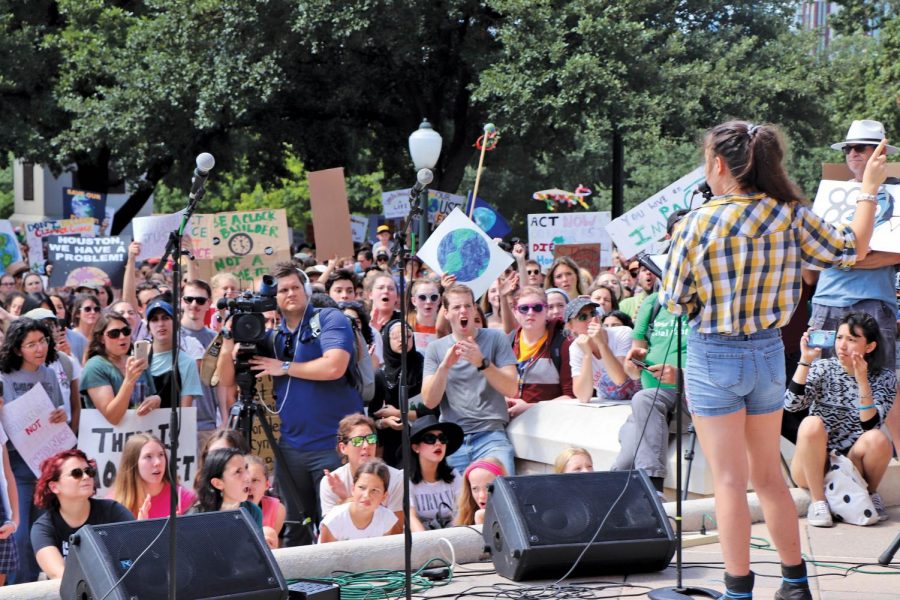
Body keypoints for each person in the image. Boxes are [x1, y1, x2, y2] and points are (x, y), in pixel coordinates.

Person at [660, 121, 886, 600]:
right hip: (767, 352)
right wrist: (868, 189)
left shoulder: (696, 222)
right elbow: (854, 247)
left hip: (713, 355)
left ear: (719, 164)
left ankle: (739, 590)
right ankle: (794, 582)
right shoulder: (790, 214)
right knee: (768, 475)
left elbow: (675, 303)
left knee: (728, 480)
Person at [219, 262, 362, 547]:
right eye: (283, 290)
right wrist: (227, 339)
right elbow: (227, 379)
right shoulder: (273, 337)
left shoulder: (331, 319)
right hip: (291, 448)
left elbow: (334, 366)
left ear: (306, 291)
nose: (291, 293)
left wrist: (283, 366)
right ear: (275, 299)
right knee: (295, 527)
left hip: (334, 444)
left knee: (337, 522)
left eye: (296, 287)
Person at [806, 120, 900, 450]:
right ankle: (832, 473)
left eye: (862, 147)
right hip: (825, 305)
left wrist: (844, 254)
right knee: (821, 388)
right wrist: (860, 253)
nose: (854, 154)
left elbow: (896, 252)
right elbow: (813, 262)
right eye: (849, 148)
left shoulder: (898, 192)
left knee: (883, 387)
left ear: (882, 153)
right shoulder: (829, 196)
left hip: (873, 305)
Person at [786, 314, 895, 526]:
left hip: (851, 465)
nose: (842, 346)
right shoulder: (823, 368)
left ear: (870, 347)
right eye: (840, 338)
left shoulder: (885, 378)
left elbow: (869, 425)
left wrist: (862, 380)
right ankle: (818, 502)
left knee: (878, 440)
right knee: (810, 423)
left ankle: (868, 493)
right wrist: (806, 361)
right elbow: (791, 405)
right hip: (812, 464)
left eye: (852, 340)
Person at [422, 284, 518, 475]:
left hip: (491, 435)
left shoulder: (496, 338)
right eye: (457, 307)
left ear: (475, 309)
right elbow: (429, 400)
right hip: (453, 439)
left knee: (503, 497)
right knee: (457, 504)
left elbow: (511, 388)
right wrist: (445, 367)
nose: (463, 311)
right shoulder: (436, 349)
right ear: (447, 313)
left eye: (467, 305)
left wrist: (482, 363)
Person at [0, 318, 69, 584]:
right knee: (19, 531)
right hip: (17, 465)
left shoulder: (50, 373)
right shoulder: (4, 377)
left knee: (40, 532)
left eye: (42, 341)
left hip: (46, 463)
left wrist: (61, 415)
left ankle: (31, 585)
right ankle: (17, 588)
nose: (39, 348)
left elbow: (58, 411)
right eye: (31, 344)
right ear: (17, 349)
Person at [31, 450, 133, 580]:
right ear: (54, 487)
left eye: (89, 471)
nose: (86, 477)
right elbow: (59, 575)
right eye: (76, 473)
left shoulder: (114, 511)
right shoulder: (43, 528)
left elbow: (135, 555)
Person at [319, 414, 415, 531]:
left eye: (371, 439)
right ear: (343, 448)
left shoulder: (396, 478)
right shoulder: (331, 482)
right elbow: (331, 531)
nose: (366, 445)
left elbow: (396, 530)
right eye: (358, 441)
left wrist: (345, 500)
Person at [80, 312, 161, 426]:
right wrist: (129, 381)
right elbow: (113, 417)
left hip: (141, 435)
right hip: (109, 440)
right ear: (101, 338)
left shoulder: (137, 361)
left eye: (126, 331)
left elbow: (151, 396)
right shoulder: (94, 366)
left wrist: (156, 400)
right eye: (114, 333)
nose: (122, 337)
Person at [505, 287, 574, 417]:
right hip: (510, 425)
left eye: (537, 307)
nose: (530, 313)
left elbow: (571, 396)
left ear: (546, 310)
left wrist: (530, 408)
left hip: (549, 423)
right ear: (515, 311)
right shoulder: (507, 342)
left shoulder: (564, 343)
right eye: (524, 308)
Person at [370, 320, 428, 467]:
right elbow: (373, 417)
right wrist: (385, 422)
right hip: (392, 444)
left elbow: (432, 410)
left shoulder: (424, 368)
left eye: (407, 336)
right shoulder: (381, 375)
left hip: (424, 438)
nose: (402, 340)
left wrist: (398, 413)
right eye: (396, 336)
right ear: (386, 340)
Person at [109, 433, 197, 519]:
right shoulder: (113, 504)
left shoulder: (184, 498)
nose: (158, 462)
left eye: (161, 455)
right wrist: (140, 528)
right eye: (148, 456)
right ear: (133, 463)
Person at [566, 298, 635, 403]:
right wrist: (587, 355)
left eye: (593, 313)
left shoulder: (623, 332)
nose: (591, 319)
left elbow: (620, 379)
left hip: (638, 400)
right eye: (583, 317)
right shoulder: (575, 348)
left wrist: (602, 344)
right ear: (570, 326)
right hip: (607, 406)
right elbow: (583, 397)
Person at [319, 459, 401, 542]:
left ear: (384, 496)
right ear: (353, 489)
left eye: (374, 490)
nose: (366, 495)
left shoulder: (387, 519)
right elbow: (324, 554)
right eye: (362, 487)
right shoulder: (333, 520)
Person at [407, 416, 463, 530]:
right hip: (421, 539)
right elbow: (410, 517)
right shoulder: (404, 479)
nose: (438, 443)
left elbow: (463, 511)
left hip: (453, 535)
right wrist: (429, 544)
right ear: (415, 447)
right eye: (430, 439)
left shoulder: (454, 475)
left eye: (442, 438)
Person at [145, 298, 200, 410]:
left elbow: (185, 413)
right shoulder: (138, 359)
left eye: (165, 318)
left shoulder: (188, 363)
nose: (160, 324)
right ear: (148, 327)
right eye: (154, 319)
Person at [190, 448, 262, 527]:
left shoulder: (253, 511)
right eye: (238, 471)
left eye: (246, 468)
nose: (248, 477)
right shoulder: (196, 517)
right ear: (218, 483)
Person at [246, 455, 285, 549]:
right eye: (244, 480)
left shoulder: (277, 509)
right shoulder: (227, 507)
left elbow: (273, 547)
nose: (248, 486)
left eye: (254, 480)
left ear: (267, 485)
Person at [455, 457, 506, 526]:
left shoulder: (512, 518)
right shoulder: (466, 518)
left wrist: (480, 520)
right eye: (475, 489)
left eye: (488, 487)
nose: (482, 496)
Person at [67, 295, 101, 364]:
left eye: (96, 309)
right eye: (87, 309)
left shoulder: (101, 337)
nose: (93, 312)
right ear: (77, 313)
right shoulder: (70, 337)